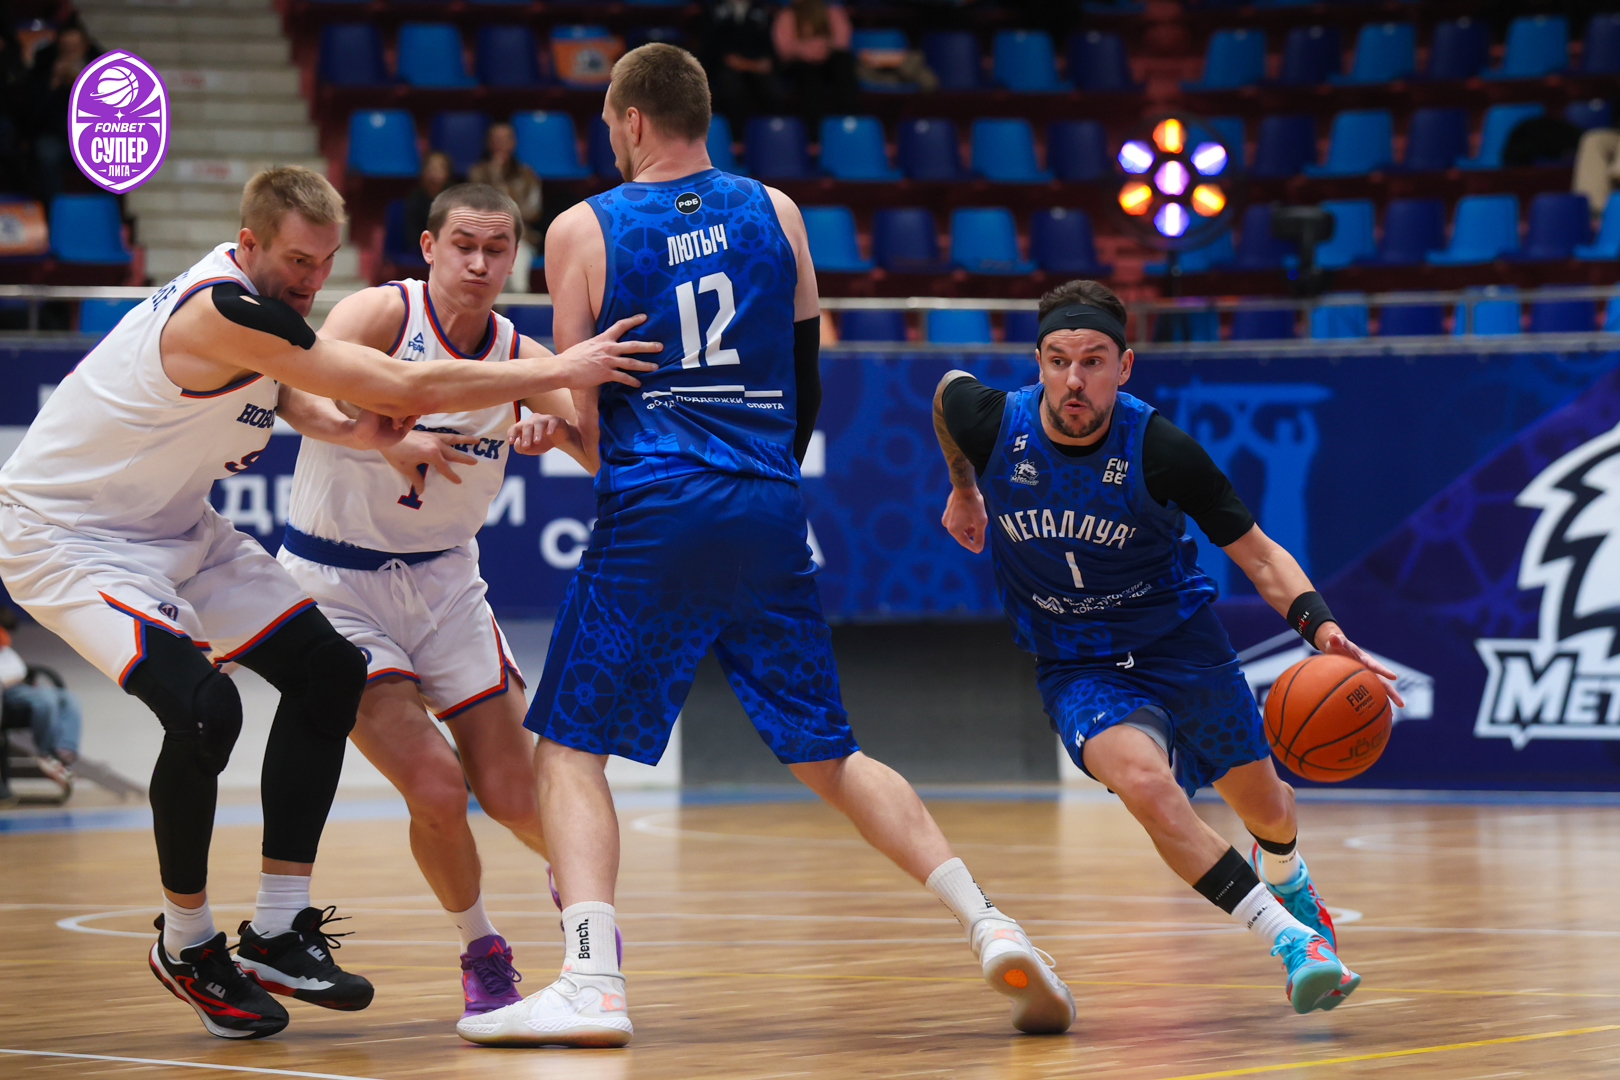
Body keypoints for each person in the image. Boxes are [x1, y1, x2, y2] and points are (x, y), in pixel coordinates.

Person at [456, 43, 1074, 1050]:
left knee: (567, 749)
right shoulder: (778, 212)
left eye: (609, 124)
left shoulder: (582, 229)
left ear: (632, 120)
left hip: (658, 503)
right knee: (830, 752)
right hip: (767, 500)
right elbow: (807, 381)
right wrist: (755, 473)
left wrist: (551, 431)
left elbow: (590, 418)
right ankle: (989, 921)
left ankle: (592, 980)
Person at [0, 164, 658, 1040]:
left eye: (323, 262)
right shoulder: (227, 309)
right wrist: (566, 365)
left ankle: (277, 930)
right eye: (298, 262)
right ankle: (188, 944)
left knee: (333, 676)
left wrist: (365, 434)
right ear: (248, 246)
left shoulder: (272, 319)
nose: (313, 281)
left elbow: (293, 399)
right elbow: (399, 386)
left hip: (198, 530)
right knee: (209, 713)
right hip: (69, 536)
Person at [931, 279, 1405, 1016]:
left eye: (1093, 361)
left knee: (1271, 810)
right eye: (1058, 361)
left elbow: (1260, 555)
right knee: (1150, 788)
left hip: (1179, 646)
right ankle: (1292, 943)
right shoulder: (994, 423)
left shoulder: (1161, 450)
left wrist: (1325, 631)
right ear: (1038, 362)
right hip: (1079, 664)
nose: (1074, 380)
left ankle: (1287, 873)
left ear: (1124, 365)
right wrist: (964, 488)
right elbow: (945, 393)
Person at [276, 181, 597, 1023]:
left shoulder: (521, 356)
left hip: (446, 584)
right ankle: (481, 948)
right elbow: (297, 387)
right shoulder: (384, 313)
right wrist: (378, 433)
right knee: (437, 788)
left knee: (519, 796)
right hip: (335, 584)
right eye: (464, 245)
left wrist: (559, 431)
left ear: (515, 258)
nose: (480, 263)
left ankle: (582, 906)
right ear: (428, 248)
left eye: (497, 249)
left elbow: (605, 457)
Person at [0, 603, 81, 786]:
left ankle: (64, 751)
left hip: (22, 687)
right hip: (7, 693)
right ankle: (46, 753)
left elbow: (19, 669)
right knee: (46, 700)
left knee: (68, 698)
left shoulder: (6, 648)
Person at [468, 124, 541, 292]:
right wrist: (495, 176)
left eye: (505, 139)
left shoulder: (527, 174)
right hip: (485, 237)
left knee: (517, 284)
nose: (500, 144)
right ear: (489, 143)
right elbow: (476, 209)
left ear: (513, 143)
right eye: (496, 139)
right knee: (492, 281)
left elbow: (534, 211)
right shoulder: (477, 173)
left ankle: (519, 306)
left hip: (520, 237)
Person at [772, 0, 857, 130]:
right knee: (809, 75)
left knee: (843, 61)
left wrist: (817, 49)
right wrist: (814, 49)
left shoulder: (833, 12)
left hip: (829, 63)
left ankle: (848, 123)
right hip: (801, 65)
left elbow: (841, 42)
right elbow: (784, 49)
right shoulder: (786, 15)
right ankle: (815, 131)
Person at [700, 0, 780, 133]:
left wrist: (755, 63)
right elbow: (709, 47)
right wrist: (728, 60)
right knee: (731, 89)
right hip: (724, 67)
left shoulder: (762, 10)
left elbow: (769, 48)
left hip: (757, 66)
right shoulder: (713, 10)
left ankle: (769, 134)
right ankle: (735, 137)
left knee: (772, 89)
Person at [393, 150, 453, 272]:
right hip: (419, 249)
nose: (433, 172)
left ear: (447, 173)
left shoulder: (454, 199)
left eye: (439, 168)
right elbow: (411, 235)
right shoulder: (414, 199)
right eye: (430, 168)